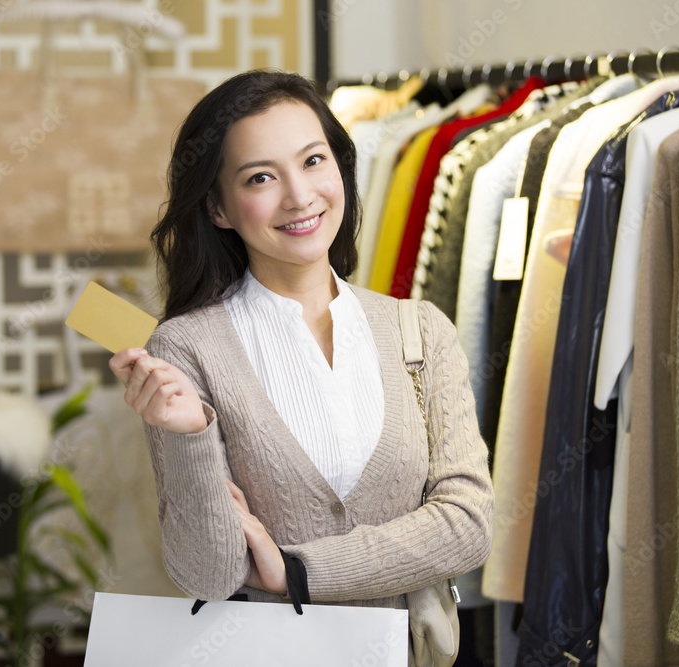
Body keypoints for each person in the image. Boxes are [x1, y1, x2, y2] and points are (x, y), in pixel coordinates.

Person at [108, 68, 493, 644]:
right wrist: (189, 435)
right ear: (218, 207)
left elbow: (467, 524)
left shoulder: (420, 333)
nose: (299, 196)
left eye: (313, 161)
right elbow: (209, 574)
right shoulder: (187, 349)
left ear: (340, 166)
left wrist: (298, 572)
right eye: (260, 177)